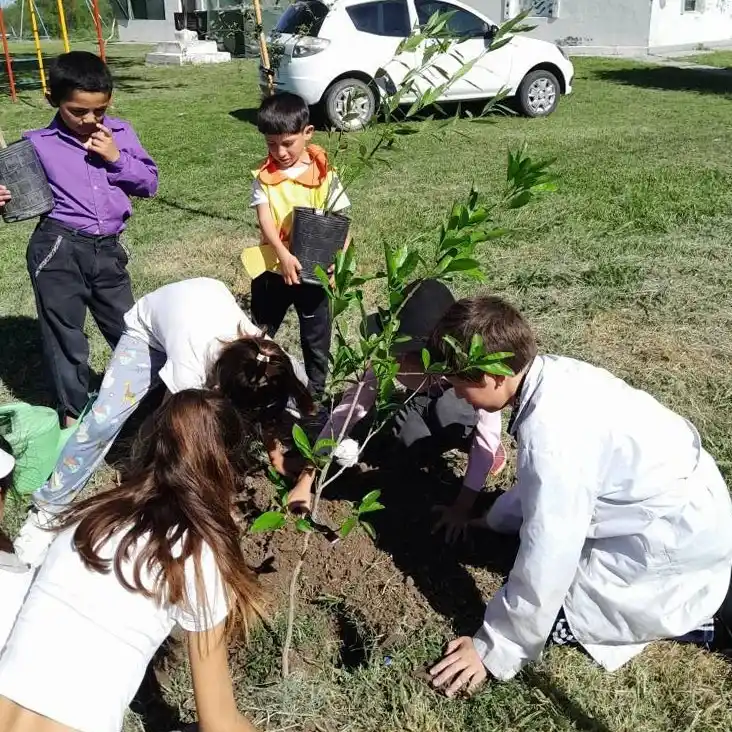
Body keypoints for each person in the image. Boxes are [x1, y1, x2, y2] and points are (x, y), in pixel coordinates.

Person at [426, 295, 732, 696]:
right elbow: (541, 490)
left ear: (495, 378)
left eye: (461, 385)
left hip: (670, 543)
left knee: (570, 616)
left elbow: (550, 548)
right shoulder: (552, 376)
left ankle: (712, 624)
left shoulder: (553, 437)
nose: (458, 395)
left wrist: (495, 646)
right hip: (688, 507)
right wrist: (491, 520)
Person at [0, 390, 263, 732]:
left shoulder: (90, 518)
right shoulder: (196, 557)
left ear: (149, 445)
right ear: (225, 467)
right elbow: (219, 723)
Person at [13, 277, 313, 568]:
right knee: (102, 423)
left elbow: (270, 412)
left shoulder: (276, 365)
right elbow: (178, 435)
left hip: (203, 302)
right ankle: (47, 511)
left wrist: (277, 456)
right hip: (149, 332)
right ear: (219, 387)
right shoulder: (190, 371)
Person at [0, 51, 158, 428]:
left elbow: (149, 184)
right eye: (78, 111)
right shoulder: (35, 144)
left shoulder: (119, 134)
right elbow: (15, 199)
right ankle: (73, 413)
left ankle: (146, 401)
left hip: (107, 250)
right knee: (64, 335)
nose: (90, 120)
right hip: (58, 247)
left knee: (128, 329)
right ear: (53, 100)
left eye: (99, 111)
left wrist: (117, 158)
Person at [287, 280, 505, 521]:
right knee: (405, 444)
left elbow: (489, 429)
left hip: (456, 401)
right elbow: (349, 411)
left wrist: (462, 507)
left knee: (451, 410)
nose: (394, 362)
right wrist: (307, 477)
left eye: (402, 358)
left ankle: (469, 441)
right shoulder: (392, 355)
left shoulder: (466, 369)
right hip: (423, 394)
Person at [248, 92, 351, 398]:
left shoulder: (326, 176)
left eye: (287, 143)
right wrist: (283, 252)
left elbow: (341, 223)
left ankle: (315, 394)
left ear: (308, 133)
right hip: (274, 270)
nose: (279, 152)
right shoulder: (264, 178)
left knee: (316, 338)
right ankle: (252, 384)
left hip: (313, 274)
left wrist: (339, 260)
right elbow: (265, 219)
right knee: (260, 332)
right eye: (270, 144)